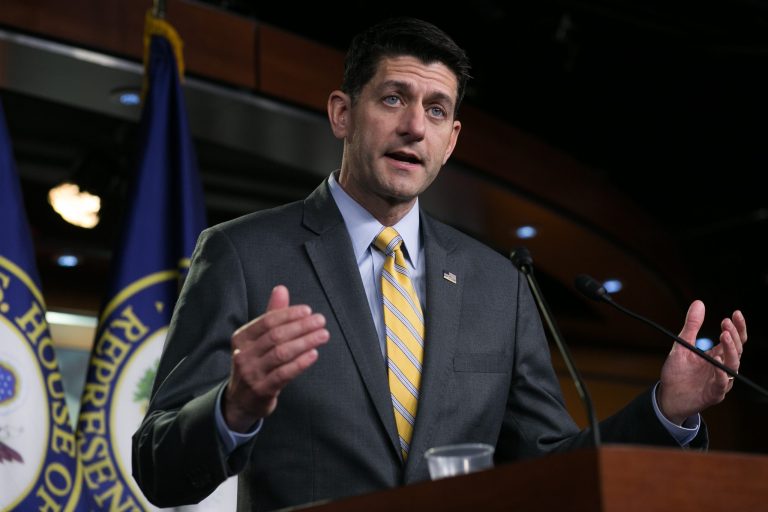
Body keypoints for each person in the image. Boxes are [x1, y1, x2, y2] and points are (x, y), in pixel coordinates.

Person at [132, 17, 747, 511]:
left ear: (452, 139)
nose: (412, 127)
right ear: (342, 113)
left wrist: (667, 410)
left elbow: (550, 466)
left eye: (434, 110)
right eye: (393, 98)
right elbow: (158, 469)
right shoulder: (243, 253)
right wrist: (233, 406)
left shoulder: (499, 285)